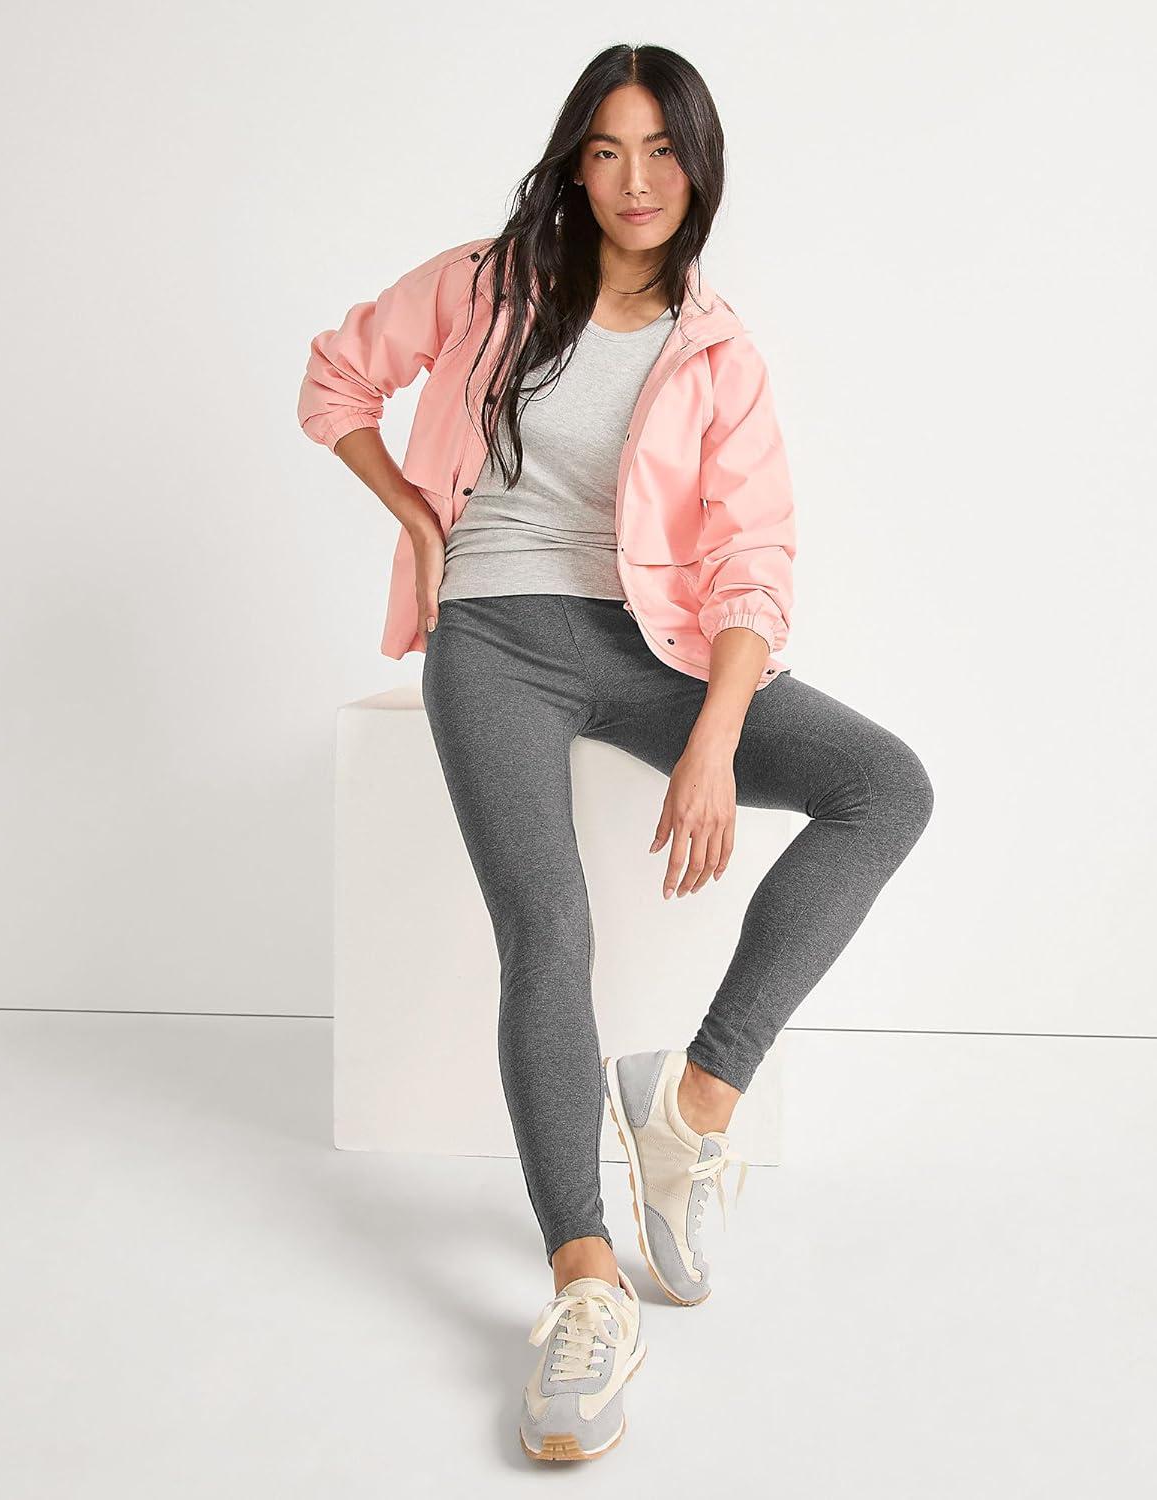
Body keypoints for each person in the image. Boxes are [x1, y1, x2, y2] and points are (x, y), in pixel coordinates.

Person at [296, 42, 934, 1463]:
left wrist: (714, 738)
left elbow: (755, 561)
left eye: (660, 150)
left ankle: (692, 1102)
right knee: (551, 929)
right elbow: (335, 380)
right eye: (605, 149)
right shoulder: (484, 286)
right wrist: (415, 511)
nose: (634, 180)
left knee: (884, 785)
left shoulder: (719, 349)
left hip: (652, 646)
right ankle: (585, 1285)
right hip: (495, 641)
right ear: (574, 163)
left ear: (699, 167)